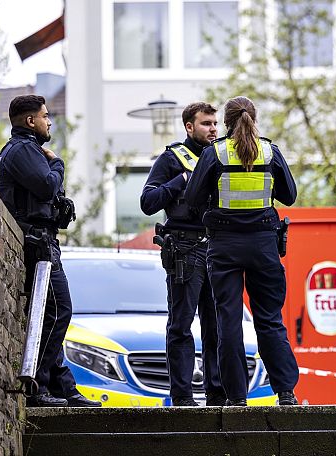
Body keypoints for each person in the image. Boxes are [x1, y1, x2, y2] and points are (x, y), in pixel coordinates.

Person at [184, 96, 299, 406]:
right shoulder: (270, 151)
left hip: (224, 246)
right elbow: (289, 196)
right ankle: (286, 392)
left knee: (229, 322)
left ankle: (236, 398)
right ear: (254, 118)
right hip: (263, 245)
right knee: (269, 319)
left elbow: (192, 197)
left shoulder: (214, 153)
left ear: (226, 122)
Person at [0, 95, 100, 407]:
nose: (49, 121)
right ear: (30, 121)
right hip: (37, 245)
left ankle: (63, 388)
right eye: (45, 115)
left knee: (46, 316)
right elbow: (46, 186)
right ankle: (35, 385)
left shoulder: (25, 150)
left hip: (42, 240)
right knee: (57, 310)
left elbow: (47, 195)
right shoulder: (24, 149)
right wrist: (57, 163)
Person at [140, 102, 226, 406]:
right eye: (206, 124)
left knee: (216, 326)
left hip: (216, 249)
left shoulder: (222, 156)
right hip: (185, 249)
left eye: (215, 123)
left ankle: (218, 394)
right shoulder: (173, 158)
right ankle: (182, 398)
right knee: (181, 324)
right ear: (189, 127)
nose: (213, 129)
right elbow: (148, 201)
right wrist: (181, 181)